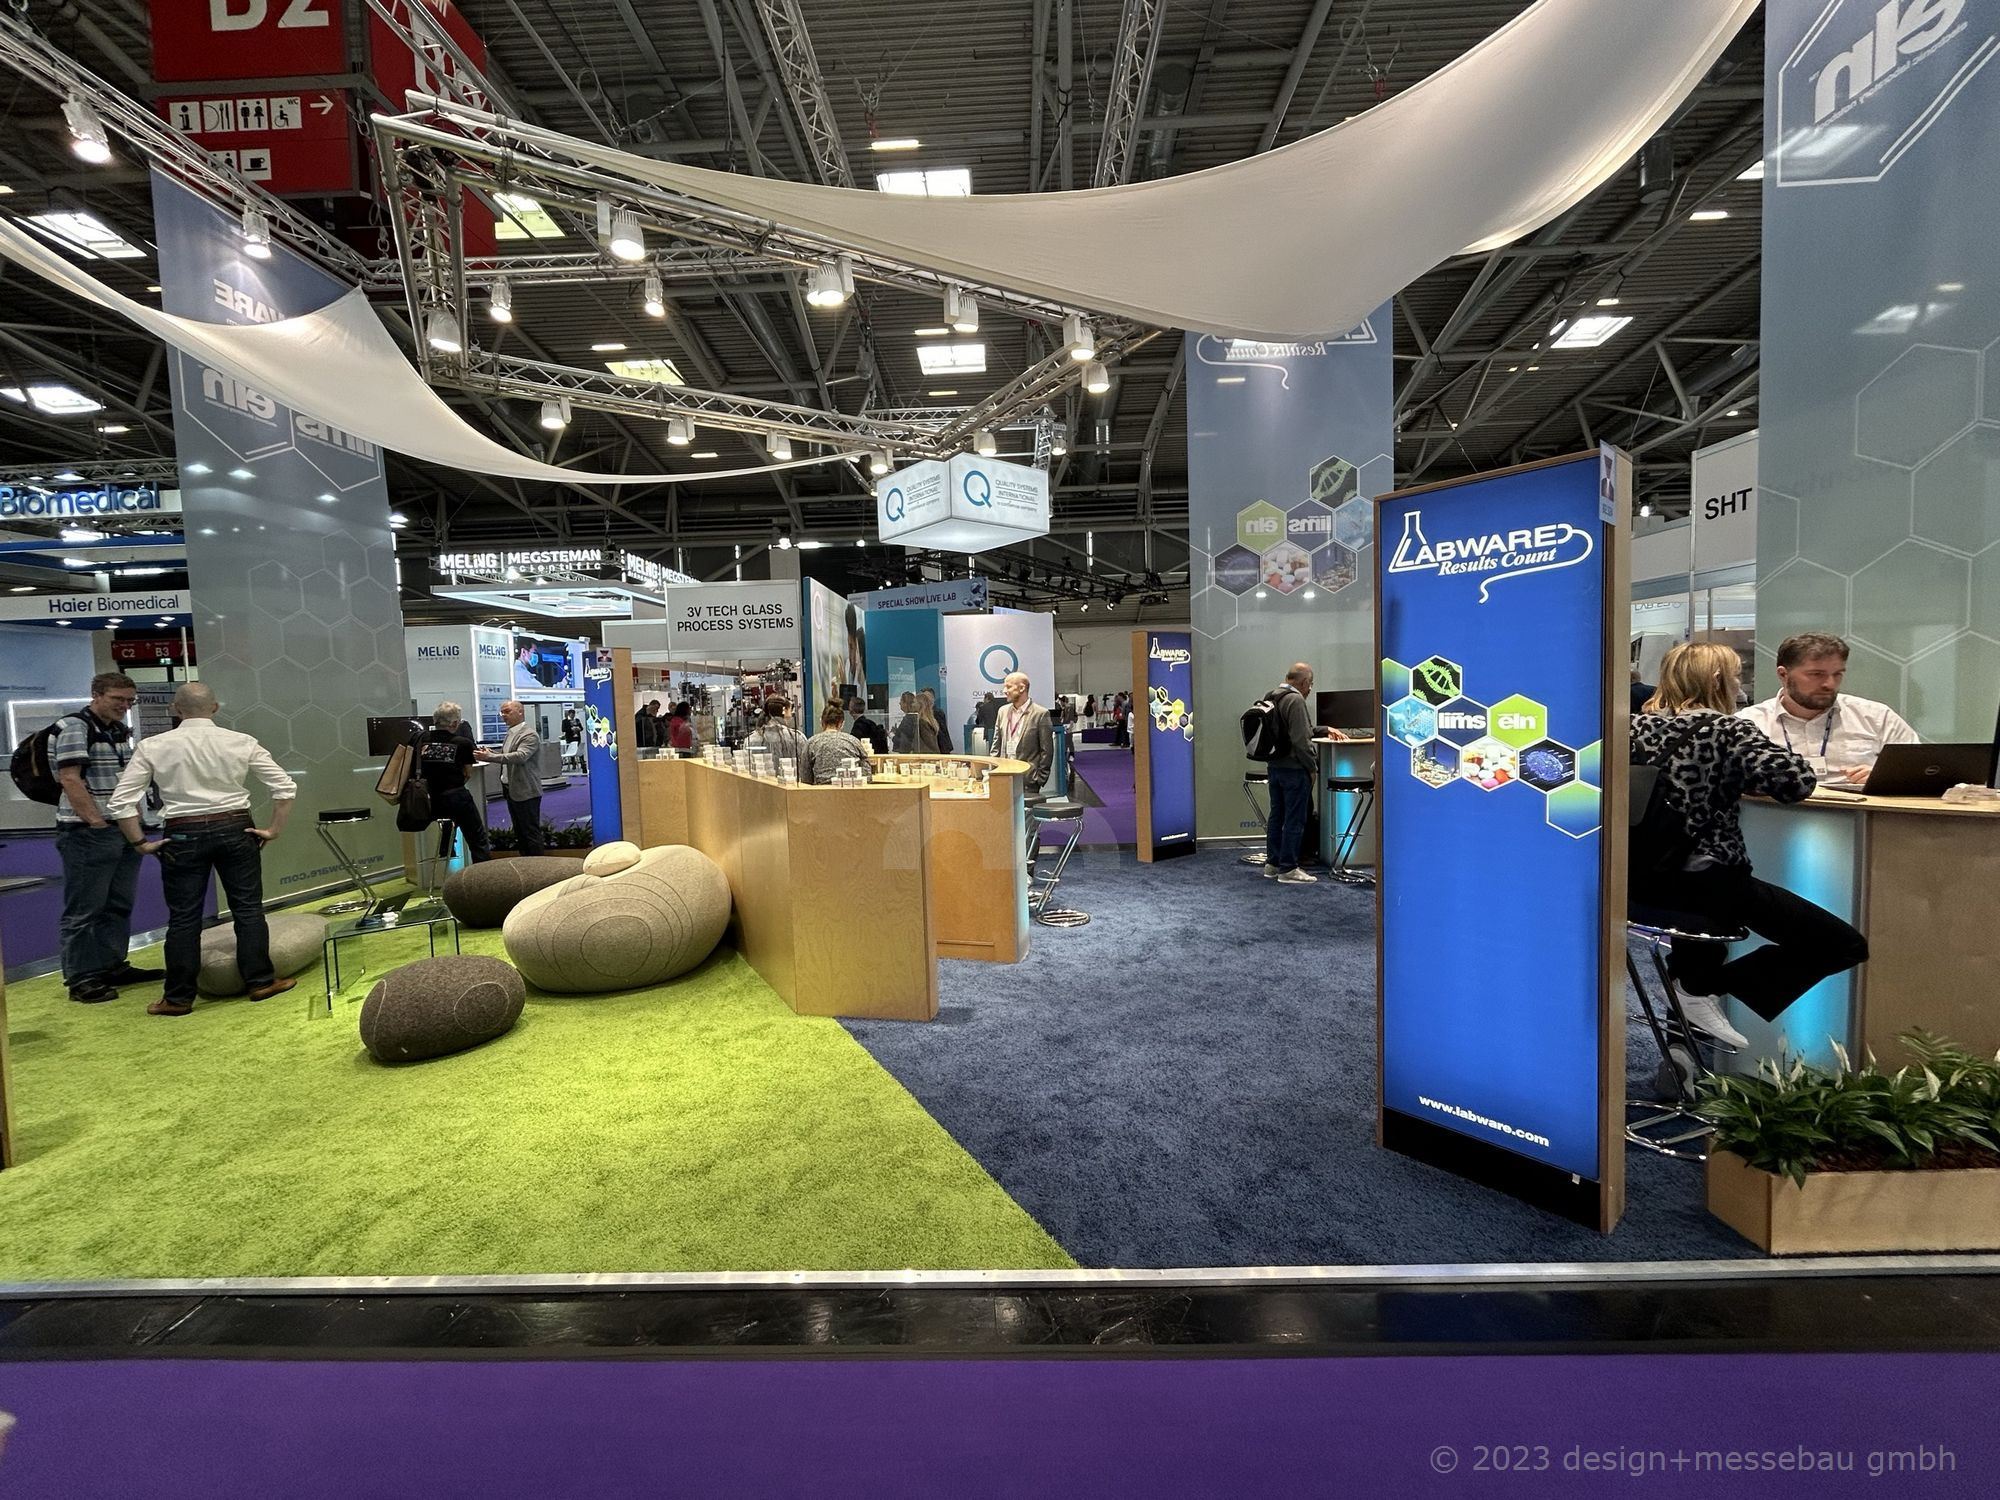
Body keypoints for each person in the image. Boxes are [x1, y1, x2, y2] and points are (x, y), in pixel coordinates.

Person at [1632, 642, 1868, 1048]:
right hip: (1710, 881)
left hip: (1642, 880)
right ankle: (1698, 987)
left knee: (1705, 935)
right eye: (1736, 677)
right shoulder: (1728, 730)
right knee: (1843, 944)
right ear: (1719, 681)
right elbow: (1795, 782)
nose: (1739, 686)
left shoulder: (1633, 728)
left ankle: (1690, 990)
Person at [106, 682, 298, 1015]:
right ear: (215, 707)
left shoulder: (153, 746)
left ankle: (177, 997)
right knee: (248, 909)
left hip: (182, 832)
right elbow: (285, 787)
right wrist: (273, 830)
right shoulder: (241, 741)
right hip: (236, 827)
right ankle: (261, 981)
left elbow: (121, 802)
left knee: (183, 917)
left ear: (176, 710)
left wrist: (140, 843)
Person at [53, 671, 161, 1003]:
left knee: (118, 903)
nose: (124, 706)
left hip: (122, 828)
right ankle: (81, 978)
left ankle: (112, 965)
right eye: (117, 699)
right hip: (87, 832)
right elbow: (70, 779)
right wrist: (96, 821)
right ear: (96, 695)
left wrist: (132, 820)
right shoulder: (74, 727)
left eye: (129, 700)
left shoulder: (116, 731)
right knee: (85, 907)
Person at [1737, 632, 1917, 785]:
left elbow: (1919, 774)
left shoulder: (1876, 717)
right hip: (1777, 813)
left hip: (1858, 814)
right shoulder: (1748, 724)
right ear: (1783, 674)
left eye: (1837, 674)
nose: (1829, 684)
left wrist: (1885, 778)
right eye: (1816, 674)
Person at [1243, 663, 1331, 885]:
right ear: (1304, 682)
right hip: (1295, 769)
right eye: (1310, 684)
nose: (1310, 689)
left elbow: (1287, 731)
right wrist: (1312, 767)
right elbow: (1301, 740)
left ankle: (1273, 864)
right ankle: (1289, 868)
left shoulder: (1271, 696)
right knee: (1295, 819)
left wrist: (1324, 729)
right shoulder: (1296, 700)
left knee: (1277, 816)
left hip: (1274, 767)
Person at [417, 701, 490, 863]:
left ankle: (445, 859)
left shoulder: (421, 741)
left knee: (445, 835)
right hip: (457, 797)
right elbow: (467, 773)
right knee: (477, 839)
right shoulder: (462, 743)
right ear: (455, 723)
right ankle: (483, 874)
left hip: (430, 799)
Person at [476, 699, 544, 856]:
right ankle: (525, 862)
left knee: (530, 832)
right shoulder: (510, 733)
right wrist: (492, 753)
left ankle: (538, 865)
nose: (503, 716)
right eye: (502, 713)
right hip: (511, 789)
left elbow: (520, 756)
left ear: (520, 712)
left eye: (507, 712)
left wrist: (490, 757)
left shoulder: (529, 734)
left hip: (526, 790)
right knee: (520, 832)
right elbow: (508, 755)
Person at [998, 672, 1055, 793]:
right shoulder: (1002, 712)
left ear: (1022, 688)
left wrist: (1039, 778)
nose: (1004, 691)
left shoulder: (1040, 714)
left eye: (1008, 687)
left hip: (1028, 781)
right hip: (1003, 777)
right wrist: (994, 771)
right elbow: (996, 745)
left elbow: (1047, 750)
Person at [806, 701, 871, 784]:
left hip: (821, 791)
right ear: (842, 723)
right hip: (851, 790)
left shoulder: (811, 743)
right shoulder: (854, 742)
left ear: (821, 722)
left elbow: (805, 779)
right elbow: (867, 775)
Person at [751, 696, 809, 769]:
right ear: (784, 710)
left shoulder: (751, 738)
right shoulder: (797, 737)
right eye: (791, 709)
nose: (792, 712)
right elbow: (805, 765)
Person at [920, 687, 953, 753]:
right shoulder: (926, 714)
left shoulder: (937, 712)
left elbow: (941, 733)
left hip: (941, 749)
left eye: (926, 697)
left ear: (933, 698)